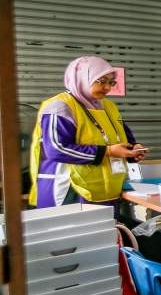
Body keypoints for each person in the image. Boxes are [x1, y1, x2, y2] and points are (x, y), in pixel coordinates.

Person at [29, 56, 147, 212]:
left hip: (105, 191)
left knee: (106, 234)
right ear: (82, 78)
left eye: (111, 82)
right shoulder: (60, 107)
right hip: (68, 191)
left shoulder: (108, 107)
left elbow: (122, 138)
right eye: (102, 81)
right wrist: (109, 151)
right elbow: (57, 149)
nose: (107, 87)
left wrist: (133, 150)